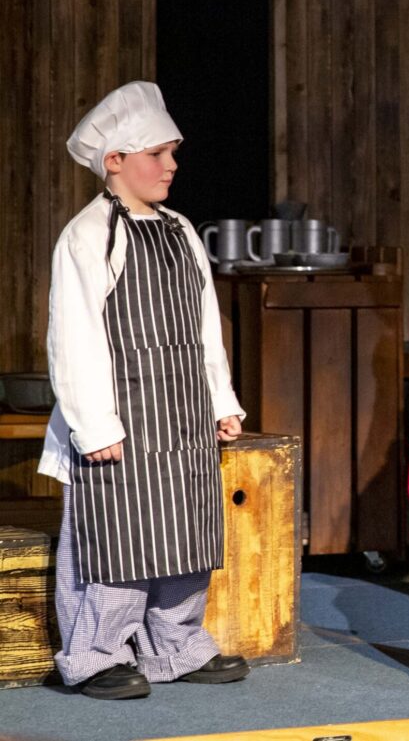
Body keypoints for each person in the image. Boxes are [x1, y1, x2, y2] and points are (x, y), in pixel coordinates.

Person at [39, 81, 250, 699]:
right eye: (157, 153)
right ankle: (96, 653)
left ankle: (176, 645)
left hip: (181, 412)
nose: (171, 164)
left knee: (184, 532)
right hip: (120, 419)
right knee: (118, 539)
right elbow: (73, 334)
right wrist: (94, 425)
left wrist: (221, 400)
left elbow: (204, 326)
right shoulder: (90, 234)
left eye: (172, 152)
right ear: (114, 160)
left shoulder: (180, 229)